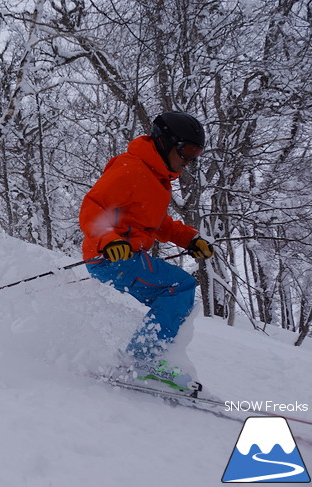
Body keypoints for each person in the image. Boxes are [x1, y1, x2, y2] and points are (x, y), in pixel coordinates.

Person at [78, 111, 215, 393]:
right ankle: (142, 360)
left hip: (124, 256)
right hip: (111, 256)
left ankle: (143, 358)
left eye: (196, 154)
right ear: (166, 143)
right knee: (179, 286)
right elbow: (93, 206)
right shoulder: (131, 169)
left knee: (178, 287)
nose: (189, 161)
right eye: (187, 151)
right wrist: (109, 239)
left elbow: (157, 222)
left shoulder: (155, 178)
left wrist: (189, 238)